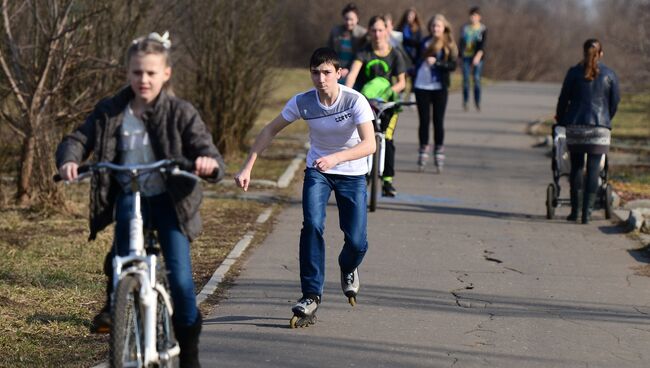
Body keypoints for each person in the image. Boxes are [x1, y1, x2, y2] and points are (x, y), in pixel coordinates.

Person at [55, 32, 225, 367]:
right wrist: (69, 159)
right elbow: (78, 137)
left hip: (169, 200)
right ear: (127, 73)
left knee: (180, 280)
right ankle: (116, 306)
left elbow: (206, 148)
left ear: (166, 73)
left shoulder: (180, 112)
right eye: (136, 73)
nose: (143, 79)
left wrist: (207, 162)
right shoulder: (110, 110)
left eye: (150, 73)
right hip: (129, 197)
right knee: (118, 259)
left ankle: (189, 352)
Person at [235, 47, 375, 327]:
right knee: (312, 224)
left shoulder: (355, 100)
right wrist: (248, 165)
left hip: (352, 172)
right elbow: (269, 130)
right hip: (318, 172)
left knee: (357, 241)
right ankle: (311, 294)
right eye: (315, 72)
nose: (321, 78)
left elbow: (370, 144)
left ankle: (348, 266)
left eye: (326, 72)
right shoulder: (303, 102)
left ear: (339, 73)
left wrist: (336, 157)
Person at [556, 39, 620, 224]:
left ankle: (575, 211)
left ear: (583, 52)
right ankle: (587, 213)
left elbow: (563, 99)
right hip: (600, 127)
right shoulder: (610, 74)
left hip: (576, 125)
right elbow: (614, 101)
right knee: (593, 168)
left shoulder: (574, 73)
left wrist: (561, 120)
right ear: (601, 54)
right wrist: (607, 118)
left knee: (576, 166)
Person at [345, 15, 406, 197]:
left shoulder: (395, 54)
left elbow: (402, 82)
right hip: (366, 104)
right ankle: (363, 177)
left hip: (388, 105)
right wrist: (347, 94)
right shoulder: (364, 52)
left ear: (386, 31)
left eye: (381, 30)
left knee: (387, 139)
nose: (378, 34)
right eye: (374, 30)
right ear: (369, 32)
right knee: (364, 140)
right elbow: (352, 75)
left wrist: (386, 95)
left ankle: (387, 181)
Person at [413, 14, 458, 173]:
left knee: (438, 120)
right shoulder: (424, 42)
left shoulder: (448, 43)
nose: (435, 29)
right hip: (421, 85)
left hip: (439, 87)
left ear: (444, 27)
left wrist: (437, 63)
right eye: (433, 26)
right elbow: (416, 60)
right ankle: (423, 149)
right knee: (424, 120)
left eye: (438, 26)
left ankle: (439, 150)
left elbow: (453, 65)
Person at [327, 2, 367, 85]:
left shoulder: (363, 34)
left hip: (355, 72)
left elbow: (362, 55)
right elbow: (329, 52)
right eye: (346, 19)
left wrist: (348, 68)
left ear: (357, 19)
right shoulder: (335, 31)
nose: (349, 22)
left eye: (351, 19)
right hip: (336, 69)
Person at [458, 6, 487, 111]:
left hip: (478, 57)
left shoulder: (482, 29)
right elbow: (460, 43)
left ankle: (477, 101)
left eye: (475, 16)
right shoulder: (465, 28)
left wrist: (478, 56)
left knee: (476, 79)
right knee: (465, 79)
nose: (473, 18)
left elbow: (482, 45)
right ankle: (465, 101)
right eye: (472, 16)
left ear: (479, 17)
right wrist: (459, 56)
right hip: (466, 56)